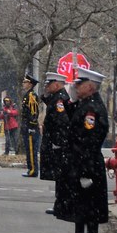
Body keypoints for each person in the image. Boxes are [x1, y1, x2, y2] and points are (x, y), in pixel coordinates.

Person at [55, 67, 109, 233]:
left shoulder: (92, 110)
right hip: (83, 166)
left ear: (90, 86)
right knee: (82, 216)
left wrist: (85, 172)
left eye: (79, 84)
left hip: (88, 169)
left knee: (88, 218)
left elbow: (89, 142)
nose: (76, 87)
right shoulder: (85, 105)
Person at [40, 71, 70, 215]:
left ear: (57, 84)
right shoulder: (56, 97)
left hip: (58, 144)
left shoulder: (60, 100)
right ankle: (60, 204)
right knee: (59, 176)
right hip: (55, 142)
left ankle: (61, 205)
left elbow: (62, 122)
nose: (47, 86)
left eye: (49, 84)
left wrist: (57, 143)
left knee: (61, 176)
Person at [20, 74, 40, 177]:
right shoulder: (27, 95)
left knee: (32, 150)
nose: (23, 84)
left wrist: (32, 126)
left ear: (30, 84)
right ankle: (30, 168)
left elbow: (34, 113)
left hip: (30, 127)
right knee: (29, 149)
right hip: (26, 126)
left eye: (25, 82)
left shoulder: (31, 95)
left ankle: (33, 170)